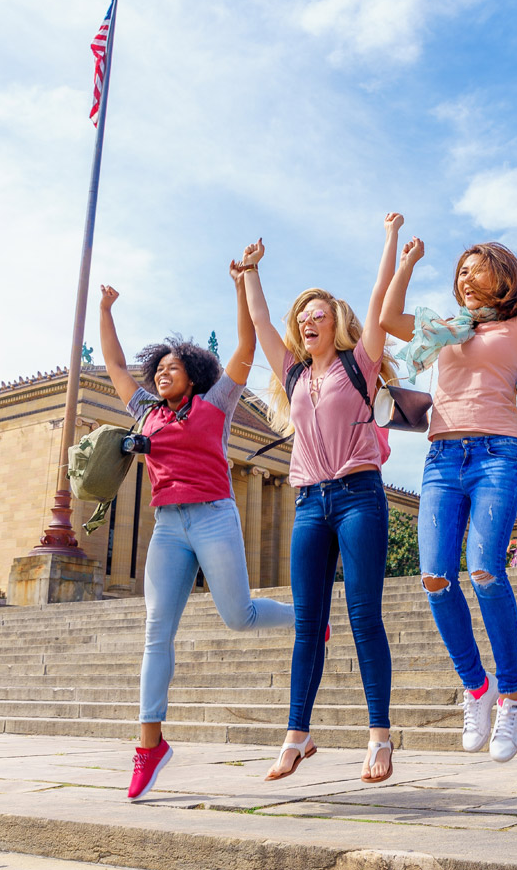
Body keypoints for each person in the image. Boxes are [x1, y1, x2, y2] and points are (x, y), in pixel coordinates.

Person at [380, 189, 517, 763]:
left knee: (486, 570)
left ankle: (512, 695)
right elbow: (390, 318)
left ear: (504, 279)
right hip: (442, 459)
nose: (466, 278)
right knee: (436, 578)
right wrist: (406, 261)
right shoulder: (444, 327)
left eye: (478, 269)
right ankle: (478, 687)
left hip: (497, 455)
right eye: (461, 270)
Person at [97, 276, 296, 801]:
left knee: (239, 616)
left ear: (194, 375)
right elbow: (115, 366)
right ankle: (149, 747)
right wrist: (107, 309)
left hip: (213, 517)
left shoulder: (217, 404)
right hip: (168, 527)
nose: (163, 373)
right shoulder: (146, 413)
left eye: (173, 367)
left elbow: (246, 346)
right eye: (158, 368)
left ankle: (309, 620)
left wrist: (238, 287)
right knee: (156, 632)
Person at [241, 219, 401, 785]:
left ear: (336, 324)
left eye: (318, 314)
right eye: (302, 316)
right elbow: (260, 321)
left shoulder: (360, 366)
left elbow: (380, 300)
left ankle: (379, 737)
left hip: (359, 497)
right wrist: (252, 273)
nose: (308, 321)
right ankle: (297, 735)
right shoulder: (292, 372)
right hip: (309, 502)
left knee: (363, 618)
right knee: (308, 623)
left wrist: (390, 240)